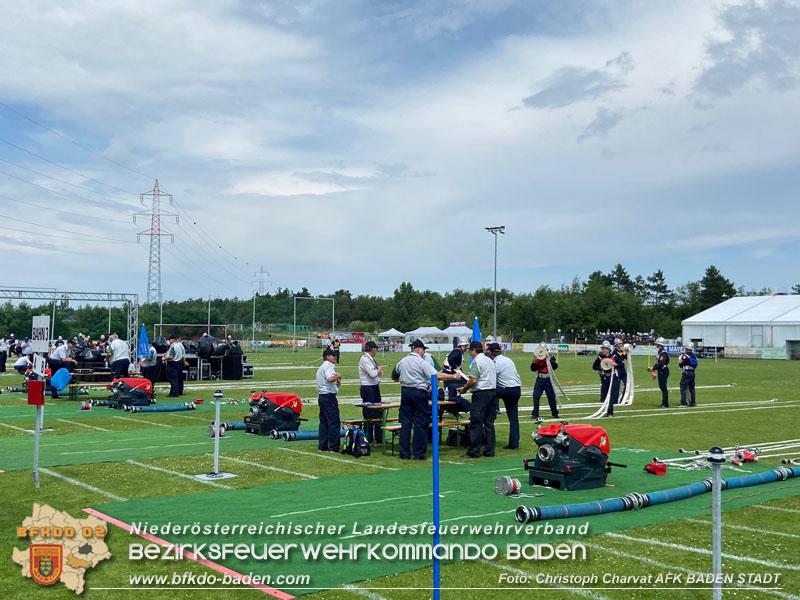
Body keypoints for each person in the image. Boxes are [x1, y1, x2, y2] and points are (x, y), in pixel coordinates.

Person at [392, 339, 460, 460]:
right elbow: (436, 375)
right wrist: (454, 376)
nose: (424, 353)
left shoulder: (402, 361)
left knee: (405, 423)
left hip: (405, 392)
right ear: (418, 349)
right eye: (423, 350)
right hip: (418, 392)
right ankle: (418, 453)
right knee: (420, 422)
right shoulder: (421, 362)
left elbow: (394, 375)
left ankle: (404, 453)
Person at [457, 341, 498, 458]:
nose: (470, 353)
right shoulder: (489, 360)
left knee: (476, 423)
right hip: (492, 392)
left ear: (474, 350)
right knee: (489, 424)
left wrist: (464, 388)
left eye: (470, 350)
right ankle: (490, 451)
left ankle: (474, 451)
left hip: (481, 394)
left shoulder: (477, 361)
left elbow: (474, 380)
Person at [489, 343, 521, 450]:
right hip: (516, 389)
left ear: (490, 353)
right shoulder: (508, 360)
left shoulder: (496, 362)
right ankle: (514, 443)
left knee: (488, 390)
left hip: (506, 390)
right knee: (513, 418)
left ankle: (491, 412)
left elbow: (491, 377)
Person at [316, 348, 342, 452]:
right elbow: (330, 379)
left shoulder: (322, 367)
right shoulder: (328, 366)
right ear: (327, 357)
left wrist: (337, 383)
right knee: (334, 422)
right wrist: (338, 376)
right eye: (333, 355)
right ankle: (334, 447)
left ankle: (322, 446)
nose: (335, 357)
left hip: (322, 396)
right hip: (329, 397)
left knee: (324, 422)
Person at [358, 341, 383, 443]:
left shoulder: (370, 359)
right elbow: (373, 374)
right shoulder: (365, 359)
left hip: (374, 386)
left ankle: (378, 437)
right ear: (373, 349)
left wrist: (378, 371)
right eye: (375, 349)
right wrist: (379, 369)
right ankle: (368, 437)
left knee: (378, 411)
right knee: (369, 413)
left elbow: (379, 374)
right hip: (368, 388)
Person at [442, 337, 471, 414]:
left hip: (451, 372)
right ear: (463, 345)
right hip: (451, 373)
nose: (467, 348)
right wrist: (456, 367)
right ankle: (452, 409)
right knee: (467, 383)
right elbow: (450, 359)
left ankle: (453, 410)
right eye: (466, 346)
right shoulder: (457, 351)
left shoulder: (457, 351)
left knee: (452, 393)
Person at [531, 342, 559, 420]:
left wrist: (548, 359)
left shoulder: (551, 358)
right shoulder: (537, 359)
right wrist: (534, 360)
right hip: (540, 379)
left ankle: (555, 412)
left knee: (551, 397)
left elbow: (555, 366)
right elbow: (532, 369)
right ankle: (535, 413)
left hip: (548, 379)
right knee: (536, 396)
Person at [592, 341, 616, 410]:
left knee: (613, 389)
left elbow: (620, 365)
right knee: (604, 388)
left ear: (608, 349)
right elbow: (594, 367)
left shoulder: (613, 356)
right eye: (602, 349)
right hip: (605, 375)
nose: (602, 350)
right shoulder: (600, 357)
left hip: (613, 376)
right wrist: (600, 368)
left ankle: (613, 400)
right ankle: (603, 399)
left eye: (604, 349)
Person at [651, 337, 670, 408]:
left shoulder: (662, 353)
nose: (656, 345)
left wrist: (653, 368)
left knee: (663, 387)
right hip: (661, 370)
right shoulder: (660, 352)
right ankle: (664, 403)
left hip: (663, 371)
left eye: (657, 344)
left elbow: (661, 363)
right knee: (662, 387)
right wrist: (653, 367)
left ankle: (665, 404)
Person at [678, 341, 699, 407]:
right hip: (692, 372)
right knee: (692, 388)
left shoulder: (684, 356)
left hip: (686, 372)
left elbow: (681, 364)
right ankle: (693, 402)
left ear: (686, 348)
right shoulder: (694, 356)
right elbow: (696, 365)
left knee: (683, 387)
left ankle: (683, 402)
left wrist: (680, 362)